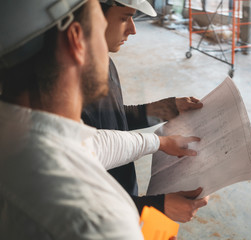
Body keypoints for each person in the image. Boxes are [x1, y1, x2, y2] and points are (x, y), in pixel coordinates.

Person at [0, 0, 196, 238]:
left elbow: (96, 143)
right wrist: (154, 207)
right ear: (76, 39)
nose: (133, 30)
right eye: (99, 21)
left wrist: (160, 141)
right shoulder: (100, 221)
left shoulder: (19, 131)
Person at [82, 0, 210, 223]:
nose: (133, 29)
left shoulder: (106, 63)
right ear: (91, 16)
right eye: (123, 18)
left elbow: (115, 118)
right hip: (107, 217)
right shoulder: (66, 90)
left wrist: (169, 107)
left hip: (123, 193)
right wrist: (152, 207)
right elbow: (83, 200)